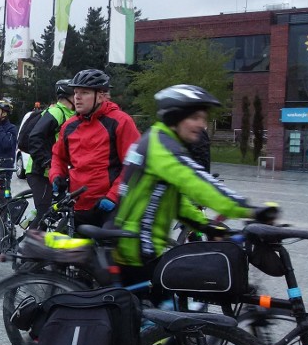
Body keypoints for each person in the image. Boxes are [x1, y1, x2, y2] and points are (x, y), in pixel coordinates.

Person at [113, 84, 278, 285]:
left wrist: (204, 225)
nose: (202, 124)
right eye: (195, 117)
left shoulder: (159, 139)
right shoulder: (162, 146)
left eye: (204, 118)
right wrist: (250, 210)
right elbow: (198, 183)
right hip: (136, 247)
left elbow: (171, 199)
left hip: (137, 244)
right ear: (175, 117)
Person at [50, 69, 140, 228]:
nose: (77, 97)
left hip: (110, 207)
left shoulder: (120, 122)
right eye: (76, 92)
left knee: (107, 249)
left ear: (100, 96)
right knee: (62, 248)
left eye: (84, 93)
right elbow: (59, 156)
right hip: (78, 205)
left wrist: (113, 196)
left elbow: (134, 165)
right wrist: (56, 175)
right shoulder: (69, 126)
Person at [27, 80, 75, 228]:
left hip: (56, 173)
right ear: (69, 96)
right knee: (44, 213)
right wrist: (46, 162)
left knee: (60, 209)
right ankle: (27, 246)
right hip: (40, 171)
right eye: (76, 94)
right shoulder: (56, 112)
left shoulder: (71, 114)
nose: (79, 97)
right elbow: (35, 137)